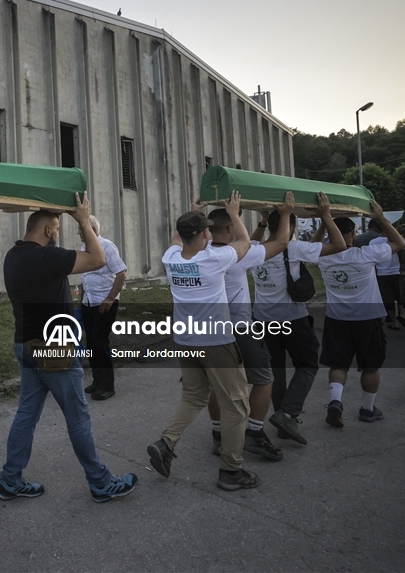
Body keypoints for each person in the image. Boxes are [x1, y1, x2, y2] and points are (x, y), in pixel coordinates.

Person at [0, 193, 138, 503]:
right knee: (77, 417)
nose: (58, 234)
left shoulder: (13, 255)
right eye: (57, 229)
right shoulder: (49, 257)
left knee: (26, 416)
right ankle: (101, 483)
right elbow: (99, 259)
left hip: (26, 344)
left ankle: (10, 480)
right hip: (53, 349)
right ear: (48, 230)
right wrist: (84, 220)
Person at [148, 192, 261, 491]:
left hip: (186, 340)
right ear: (205, 234)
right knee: (237, 407)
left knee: (193, 396)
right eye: (207, 229)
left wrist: (190, 212)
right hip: (216, 342)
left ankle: (166, 443)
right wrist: (235, 213)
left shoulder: (171, 258)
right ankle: (231, 471)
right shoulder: (215, 258)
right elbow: (245, 243)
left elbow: (177, 238)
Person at [250, 192, 345, 446]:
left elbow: (250, 241)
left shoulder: (254, 251)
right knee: (308, 364)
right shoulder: (293, 248)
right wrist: (325, 215)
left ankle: (282, 419)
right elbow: (339, 246)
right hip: (292, 320)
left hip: (263, 320)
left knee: (276, 371)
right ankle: (288, 414)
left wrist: (264, 220)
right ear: (291, 227)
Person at [206, 194, 294, 462]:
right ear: (231, 229)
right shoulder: (237, 256)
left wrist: (259, 221)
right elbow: (280, 242)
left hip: (211, 331)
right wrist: (287, 213)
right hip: (240, 329)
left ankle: (219, 435)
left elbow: (250, 241)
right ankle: (255, 433)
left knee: (217, 384)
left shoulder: (200, 253)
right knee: (264, 378)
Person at [314, 204, 405, 426]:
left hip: (337, 319)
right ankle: (367, 408)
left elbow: (313, 246)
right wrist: (381, 219)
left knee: (338, 364)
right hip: (367, 318)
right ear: (353, 234)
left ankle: (336, 402)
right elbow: (399, 243)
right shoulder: (366, 254)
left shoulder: (323, 257)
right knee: (371, 365)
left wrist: (324, 222)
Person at [78, 215, 128, 401]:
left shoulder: (107, 246)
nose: (78, 232)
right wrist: (83, 297)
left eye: (80, 228)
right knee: (91, 343)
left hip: (104, 303)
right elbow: (85, 275)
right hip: (88, 302)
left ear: (91, 229)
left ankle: (108, 385)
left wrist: (109, 299)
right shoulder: (84, 248)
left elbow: (121, 274)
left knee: (100, 342)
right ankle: (97, 381)